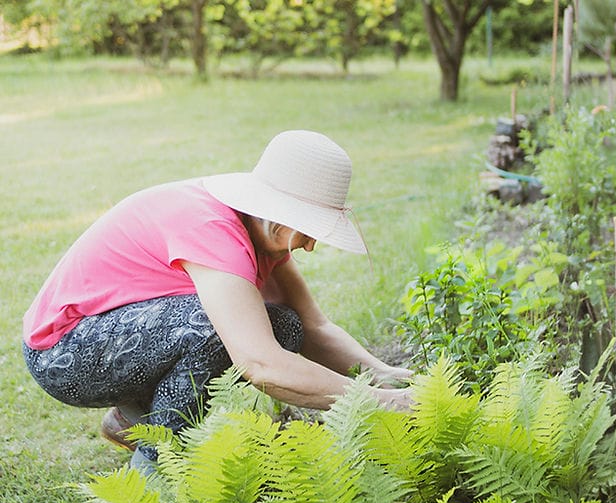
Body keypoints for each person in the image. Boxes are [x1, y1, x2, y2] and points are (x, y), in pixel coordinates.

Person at [22, 129, 413, 472]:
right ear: (276, 213)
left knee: (284, 325)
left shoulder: (261, 233)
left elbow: (315, 327)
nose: (310, 245)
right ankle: (160, 465)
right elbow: (261, 364)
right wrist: (383, 402)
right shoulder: (212, 231)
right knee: (215, 330)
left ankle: (132, 419)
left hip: (113, 336)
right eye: (309, 229)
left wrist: (393, 379)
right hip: (63, 353)